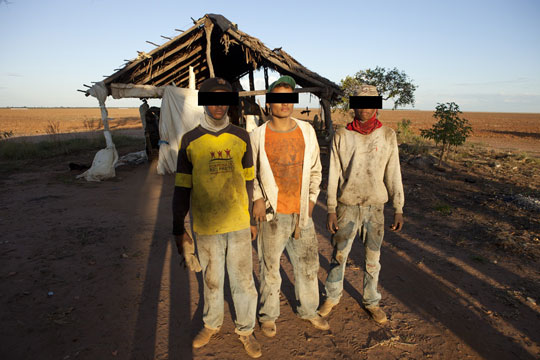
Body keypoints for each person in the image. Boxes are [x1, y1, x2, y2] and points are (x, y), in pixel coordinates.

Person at [172, 77, 262, 358]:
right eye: (212, 99)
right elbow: (182, 188)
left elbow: (249, 180)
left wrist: (250, 220)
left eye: (224, 99)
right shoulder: (190, 140)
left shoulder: (241, 136)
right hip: (206, 227)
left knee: (243, 280)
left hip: (237, 223)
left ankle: (246, 330)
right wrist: (179, 229)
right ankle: (211, 324)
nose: (219, 104)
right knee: (211, 279)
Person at [251, 75, 329, 337]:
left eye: (289, 98)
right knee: (270, 268)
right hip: (272, 214)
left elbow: (316, 171)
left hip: (301, 213)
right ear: (269, 102)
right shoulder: (257, 136)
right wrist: (257, 199)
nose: (284, 104)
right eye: (278, 98)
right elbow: (249, 172)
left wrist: (309, 204)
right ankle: (268, 316)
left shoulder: (306, 131)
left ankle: (309, 310)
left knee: (307, 265)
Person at [319, 85, 405, 324]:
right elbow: (333, 173)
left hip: (375, 208)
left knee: (372, 259)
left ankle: (371, 301)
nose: (365, 108)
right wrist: (332, 208)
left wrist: (398, 207)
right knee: (339, 256)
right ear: (353, 106)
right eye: (360, 103)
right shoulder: (342, 135)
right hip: (347, 206)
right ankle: (332, 296)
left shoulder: (387, 135)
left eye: (370, 103)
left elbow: (393, 172)